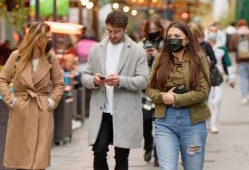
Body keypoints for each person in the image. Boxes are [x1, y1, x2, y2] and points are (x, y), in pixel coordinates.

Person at [81, 10, 149, 170]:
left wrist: (121, 81)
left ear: (125, 29)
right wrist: (94, 81)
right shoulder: (97, 49)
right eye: (109, 31)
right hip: (102, 111)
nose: (112, 35)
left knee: (121, 156)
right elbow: (85, 76)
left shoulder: (137, 51)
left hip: (125, 111)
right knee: (98, 151)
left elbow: (144, 80)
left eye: (116, 32)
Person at [0, 22, 65, 170]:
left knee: (38, 163)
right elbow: (3, 80)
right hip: (21, 111)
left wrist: (51, 102)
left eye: (50, 37)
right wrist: (11, 101)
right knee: (20, 161)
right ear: (36, 38)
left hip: (42, 111)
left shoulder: (50, 58)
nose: (49, 40)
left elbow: (59, 84)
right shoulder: (17, 57)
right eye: (46, 37)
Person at [147, 21, 211, 170]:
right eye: (169, 36)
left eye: (177, 36)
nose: (172, 39)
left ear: (187, 39)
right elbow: (150, 88)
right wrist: (162, 97)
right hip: (165, 122)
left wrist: (176, 99)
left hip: (193, 122)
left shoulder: (199, 59)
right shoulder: (160, 59)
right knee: (167, 167)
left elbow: (203, 90)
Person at [141, 16, 164, 166]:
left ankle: (158, 153)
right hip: (145, 90)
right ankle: (148, 145)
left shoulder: (165, 44)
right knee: (146, 120)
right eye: (150, 29)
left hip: (161, 89)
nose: (153, 32)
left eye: (155, 29)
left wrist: (158, 56)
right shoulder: (142, 44)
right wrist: (145, 56)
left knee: (160, 123)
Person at [206, 23, 235, 133]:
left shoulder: (222, 48)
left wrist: (231, 77)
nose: (213, 33)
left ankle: (213, 123)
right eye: (211, 30)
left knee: (216, 101)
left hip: (218, 76)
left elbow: (227, 63)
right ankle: (206, 123)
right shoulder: (203, 46)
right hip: (205, 76)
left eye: (215, 31)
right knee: (207, 102)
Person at [229, 19, 249, 104]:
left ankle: (244, 97)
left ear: (238, 26)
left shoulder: (235, 35)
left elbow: (231, 48)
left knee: (242, 77)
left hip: (240, 60)